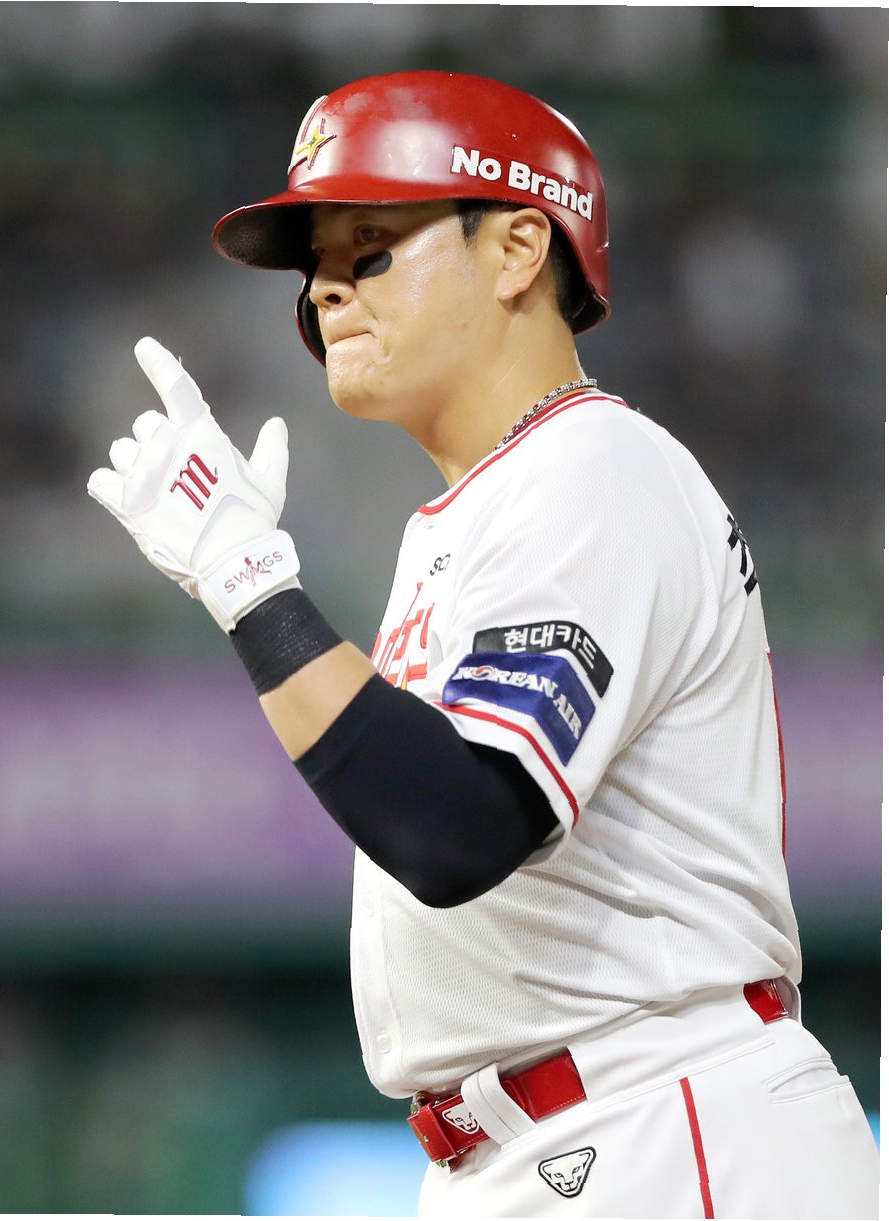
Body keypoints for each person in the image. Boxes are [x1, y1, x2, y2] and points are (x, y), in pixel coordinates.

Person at [88, 71, 878, 1219]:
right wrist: (238, 584)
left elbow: (459, 825)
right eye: (315, 268)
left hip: (659, 1124)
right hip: (551, 1140)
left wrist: (251, 584)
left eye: (369, 251)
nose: (324, 291)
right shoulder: (495, 504)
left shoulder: (594, 469)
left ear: (516, 250)